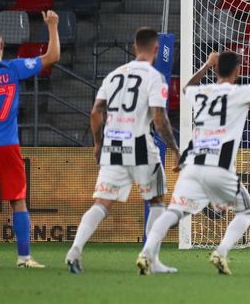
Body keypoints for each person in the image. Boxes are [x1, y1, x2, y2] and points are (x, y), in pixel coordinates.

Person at [137, 48, 250, 275]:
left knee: (174, 211)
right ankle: (220, 253)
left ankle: (147, 254)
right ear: (238, 71)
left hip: (192, 164)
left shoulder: (202, 92)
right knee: (246, 212)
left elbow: (186, 88)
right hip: (219, 168)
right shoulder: (239, 91)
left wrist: (206, 65)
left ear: (216, 69)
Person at [68, 27, 180, 274]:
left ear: (133, 48)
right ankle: (150, 258)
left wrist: (98, 143)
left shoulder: (113, 75)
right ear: (156, 49)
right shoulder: (154, 78)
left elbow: (96, 112)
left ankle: (75, 250)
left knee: (101, 203)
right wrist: (174, 148)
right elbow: (159, 118)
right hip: (140, 144)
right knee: (157, 200)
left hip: (112, 145)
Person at [0, 11, 60, 269]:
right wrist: (52, 26)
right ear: (2, 45)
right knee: (18, 200)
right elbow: (52, 57)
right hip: (8, 145)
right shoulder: (14, 68)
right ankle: (24, 258)